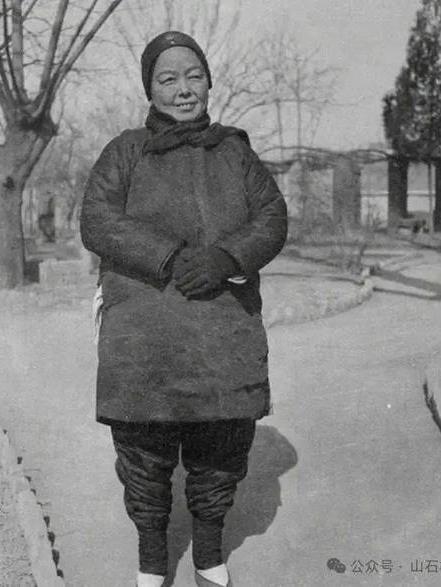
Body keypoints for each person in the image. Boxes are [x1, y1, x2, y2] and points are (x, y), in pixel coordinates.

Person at [80, 30, 287, 587]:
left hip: (223, 326)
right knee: (143, 451)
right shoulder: (125, 151)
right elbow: (97, 219)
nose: (183, 89)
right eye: (168, 79)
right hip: (143, 332)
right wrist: (168, 256)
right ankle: (151, 558)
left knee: (220, 443)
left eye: (194, 76)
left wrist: (226, 258)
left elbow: (271, 217)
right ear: (150, 89)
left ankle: (210, 555)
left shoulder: (236, 153)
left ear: (209, 83)